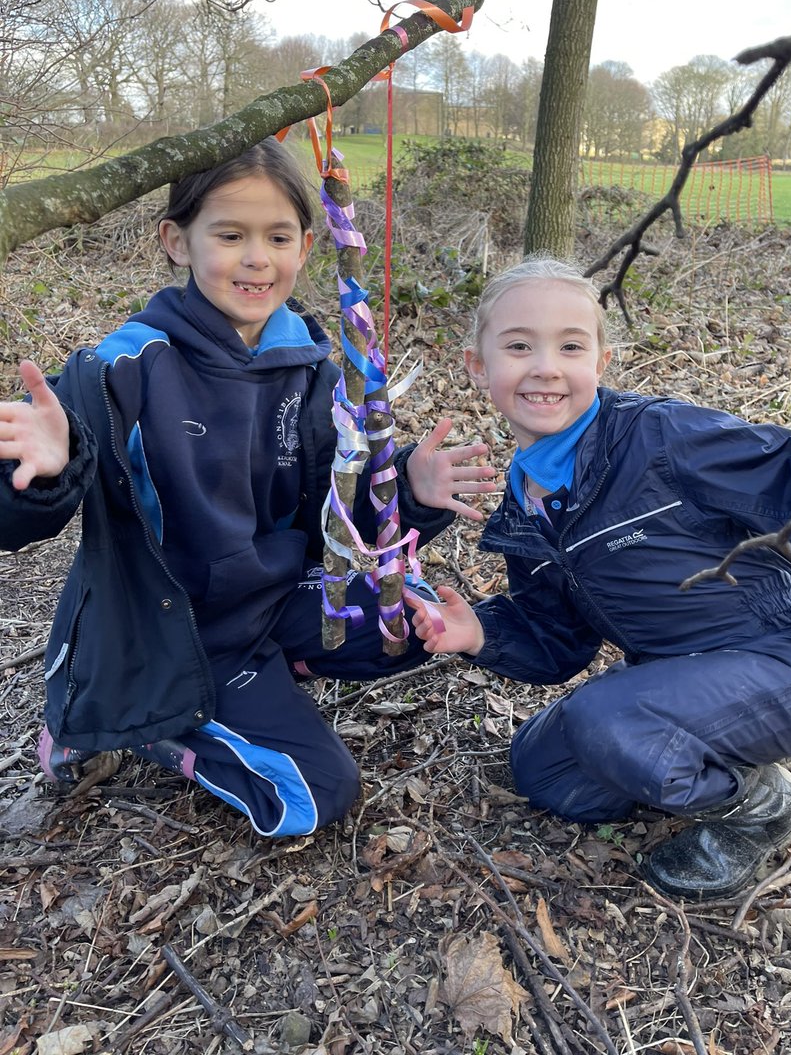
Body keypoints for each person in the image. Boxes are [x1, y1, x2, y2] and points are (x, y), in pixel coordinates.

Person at [0, 138, 496, 838]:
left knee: (412, 618)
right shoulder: (122, 367)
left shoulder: (313, 368)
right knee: (314, 795)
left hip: (269, 602)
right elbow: (15, 519)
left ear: (307, 246)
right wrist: (48, 469)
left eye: (278, 237)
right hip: (178, 633)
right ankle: (157, 724)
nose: (257, 258)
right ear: (178, 242)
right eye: (230, 235)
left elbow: (336, 516)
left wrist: (408, 489)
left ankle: (271, 672)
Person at [405, 257, 791, 900]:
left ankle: (760, 808)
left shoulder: (661, 437)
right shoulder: (523, 510)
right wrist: (478, 631)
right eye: (519, 346)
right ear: (478, 365)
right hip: (681, 672)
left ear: (601, 361)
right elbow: (557, 641)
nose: (546, 367)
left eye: (570, 346)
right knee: (545, 770)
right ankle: (678, 742)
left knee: (608, 722)